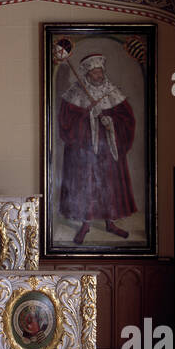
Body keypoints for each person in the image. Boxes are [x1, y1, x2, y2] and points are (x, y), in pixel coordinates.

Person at [58, 53, 136, 243]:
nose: (99, 76)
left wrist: (111, 122)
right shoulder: (75, 93)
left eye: (100, 71)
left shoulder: (113, 92)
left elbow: (128, 120)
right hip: (83, 150)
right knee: (87, 184)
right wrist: (86, 114)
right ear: (87, 74)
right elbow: (65, 123)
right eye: (94, 73)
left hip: (108, 150)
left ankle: (110, 223)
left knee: (109, 184)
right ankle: (85, 225)